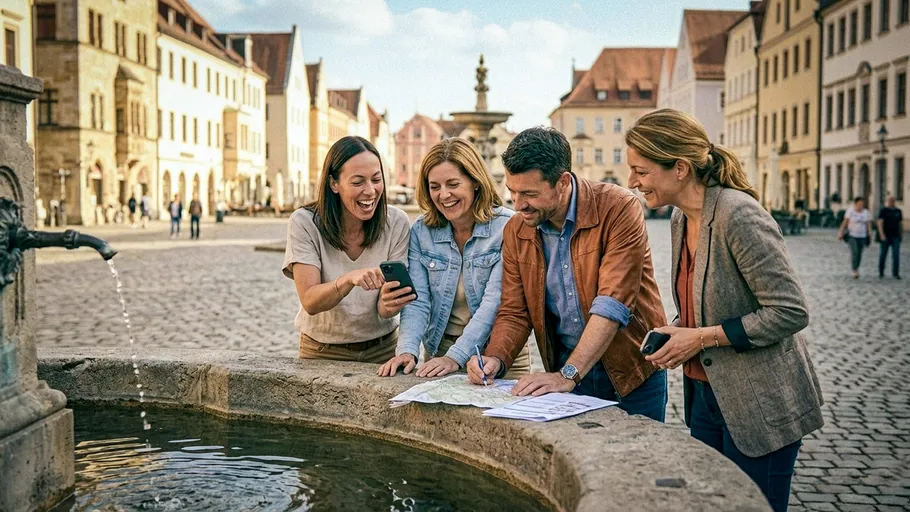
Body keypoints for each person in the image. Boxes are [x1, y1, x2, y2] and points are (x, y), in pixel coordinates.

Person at [625, 108, 824, 512]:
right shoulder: (682, 218)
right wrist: (677, 332)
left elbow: (789, 312)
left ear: (679, 168)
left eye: (640, 171)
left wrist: (698, 337)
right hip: (706, 397)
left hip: (760, 404)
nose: (631, 182)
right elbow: (703, 306)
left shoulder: (739, 214)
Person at [466, 127, 669, 422]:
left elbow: (612, 304)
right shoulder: (516, 229)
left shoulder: (618, 207)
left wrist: (568, 374)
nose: (517, 204)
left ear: (562, 182)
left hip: (632, 372)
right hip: (567, 371)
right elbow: (514, 310)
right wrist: (495, 358)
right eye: (512, 191)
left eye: (530, 194)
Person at [378, 138, 531, 378]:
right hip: (440, 351)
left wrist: (456, 356)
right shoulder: (421, 230)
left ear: (475, 183)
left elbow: (495, 301)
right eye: (435, 186)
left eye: (453, 184)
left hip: (499, 354)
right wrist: (407, 350)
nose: (444, 195)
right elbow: (417, 300)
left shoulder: (507, 227)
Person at [282, 136, 411, 363]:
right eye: (358, 182)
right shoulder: (304, 223)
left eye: (376, 179)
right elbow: (310, 301)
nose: (370, 191)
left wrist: (389, 303)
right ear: (334, 184)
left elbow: (385, 309)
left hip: (383, 350)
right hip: (322, 351)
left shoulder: (397, 221)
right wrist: (348, 279)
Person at [837, 197, 874, 279]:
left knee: (860, 253)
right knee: (855, 252)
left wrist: (870, 234)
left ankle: (856, 267)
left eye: (862, 204)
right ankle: (854, 270)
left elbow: (868, 225)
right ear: (856, 204)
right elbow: (845, 223)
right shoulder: (850, 211)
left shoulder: (866, 213)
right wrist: (840, 233)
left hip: (862, 236)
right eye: (859, 204)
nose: (861, 206)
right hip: (852, 235)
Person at [877, 196, 902, 279]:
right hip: (886, 235)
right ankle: (881, 272)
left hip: (896, 236)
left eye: (893, 200)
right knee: (883, 254)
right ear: (887, 201)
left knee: (896, 255)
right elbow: (880, 222)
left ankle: (895, 273)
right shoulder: (884, 210)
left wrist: (901, 234)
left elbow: (900, 223)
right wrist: (881, 234)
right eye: (890, 200)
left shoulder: (898, 211)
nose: (891, 202)